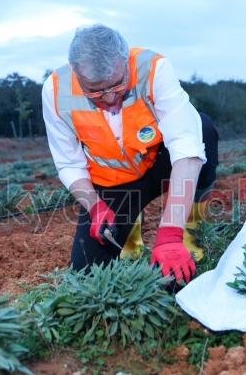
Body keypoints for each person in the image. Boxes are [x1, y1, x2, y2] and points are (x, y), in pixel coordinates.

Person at [41, 24, 219, 283]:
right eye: (95, 91)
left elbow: (185, 146)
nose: (111, 99)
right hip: (113, 182)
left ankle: (190, 228)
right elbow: (69, 162)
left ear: (126, 61)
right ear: (75, 72)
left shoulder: (153, 68)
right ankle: (128, 235)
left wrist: (170, 235)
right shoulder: (55, 92)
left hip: (159, 162)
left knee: (202, 127)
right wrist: (95, 206)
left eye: (117, 84)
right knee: (87, 278)